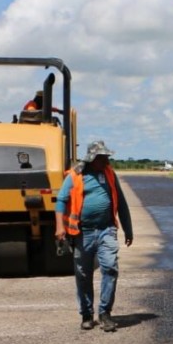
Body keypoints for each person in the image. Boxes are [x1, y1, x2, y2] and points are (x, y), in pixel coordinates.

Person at [55, 140, 134, 332]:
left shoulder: (109, 174)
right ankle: (87, 315)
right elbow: (61, 200)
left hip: (107, 229)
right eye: (102, 158)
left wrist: (128, 229)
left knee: (110, 268)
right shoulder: (76, 176)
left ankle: (105, 313)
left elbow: (121, 203)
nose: (106, 161)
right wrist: (60, 228)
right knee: (83, 274)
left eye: (107, 157)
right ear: (92, 158)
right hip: (83, 233)